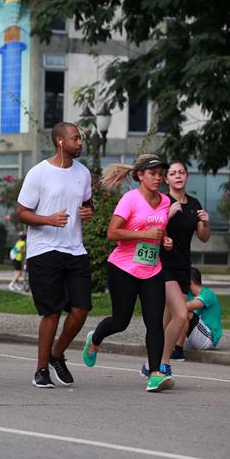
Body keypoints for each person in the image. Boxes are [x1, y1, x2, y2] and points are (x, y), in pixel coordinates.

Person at [82, 154, 175, 392]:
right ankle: (95, 338)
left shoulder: (165, 201)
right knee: (120, 321)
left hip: (152, 269)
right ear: (140, 175)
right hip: (123, 268)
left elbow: (159, 231)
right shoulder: (130, 200)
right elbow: (113, 233)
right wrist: (144, 235)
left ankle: (154, 373)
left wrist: (165, 241)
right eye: (152, 174)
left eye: (160, 174)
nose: (158, 178)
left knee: (154, 321)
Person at [16, 122, 94, 388]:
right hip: (44, 250)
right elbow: (22, 212)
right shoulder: (39, 173)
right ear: (61, 141)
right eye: (75, 138)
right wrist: (48, 219)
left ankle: (56, 354)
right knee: (51, 313)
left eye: (80, 138)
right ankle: (41, 370)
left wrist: (88, 211)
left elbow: (86, 203)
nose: (80, 142)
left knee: (81, 310)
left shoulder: (83, 173)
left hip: (75, 249)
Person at [160, 160, 211, 363]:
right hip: (162, 263)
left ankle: (156, 353)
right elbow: (151, 225)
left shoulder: (194, 204)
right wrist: (168, 214)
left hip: (183, 265)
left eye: (181, 172)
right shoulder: (162, 201)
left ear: (187, 176)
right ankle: (162, 358)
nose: (178, 176)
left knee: (168, 313)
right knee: (179, 313)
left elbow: (204, 237)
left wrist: (206, 222)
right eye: (173, 173)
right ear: (167, 179)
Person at [182, 267, 222, 351]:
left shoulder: (208, 294)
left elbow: (188, 306)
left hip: (209, 338)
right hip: (195, 336)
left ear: (190, 282)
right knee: (178, 315)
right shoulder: (189, 295)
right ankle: (174, 348)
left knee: (185, 314)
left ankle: (178, 350)